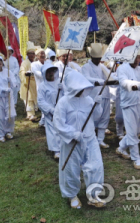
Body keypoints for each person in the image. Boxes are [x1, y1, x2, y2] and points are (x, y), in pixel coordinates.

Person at [53, 71, 106, 209]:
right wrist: (72, 133)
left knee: (96, 166)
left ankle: (93, 195)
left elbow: (95, 117)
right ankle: (72, 195)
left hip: (89, 138)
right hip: (72, 141)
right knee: (71, 168)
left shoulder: (88, 100)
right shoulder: (63, 102)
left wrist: (98, 105)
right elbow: (58, 123)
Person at [116, 49, 140, 170]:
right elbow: (123, 82)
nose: (138, 60)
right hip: (128, 104)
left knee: (136, 132)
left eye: (139, 57)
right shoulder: (122, 68)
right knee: (132, 133)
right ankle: (136, 158)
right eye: (135, 57)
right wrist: (136, 85)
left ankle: (121, 148)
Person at [81, 43, 113, 149]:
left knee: (105, 117)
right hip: (93, 96)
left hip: (105, 94)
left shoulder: (102, 66)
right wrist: (99, 81)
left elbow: (110, 77)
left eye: (99, 58)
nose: (97, 60)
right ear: (91, 57)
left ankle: (101, 139)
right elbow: (86, 78)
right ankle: (91, 138)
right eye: (96, 58)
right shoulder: (86, 67)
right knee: (94, 117)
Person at [38, 64, 63, 159]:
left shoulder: (59, 83)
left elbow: (67, 96)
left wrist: (63, 89)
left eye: (52, 71)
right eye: (48, 72)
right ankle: (56, 150)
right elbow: (40, 101)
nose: (51, 73)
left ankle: (63, 147)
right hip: (50, 112)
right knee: (53, 130)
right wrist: (51, 109)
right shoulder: (42, 86)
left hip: (61, 110)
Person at [20, 42, 38, 121]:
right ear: (27, 54)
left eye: (33, 53)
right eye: (30, 53)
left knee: (35, 98)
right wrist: (25, 74)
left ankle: (35, 111)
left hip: (35, 83)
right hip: (28, 83)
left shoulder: (36, 62)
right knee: (29, 98)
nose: (32, 55)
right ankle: (30, 114)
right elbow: (21, 71)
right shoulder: (25, 63)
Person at [32, 48, 47, 127]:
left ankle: (43, 121)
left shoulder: (48, 63)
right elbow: (39, 74)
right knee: (43, 104)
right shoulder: (34, 64)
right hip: (40, 87)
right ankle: (43, 121)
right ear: (37, 56)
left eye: (43, 53)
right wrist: (48, 74)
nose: (42, 55)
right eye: (41, 53)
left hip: (49, 86)